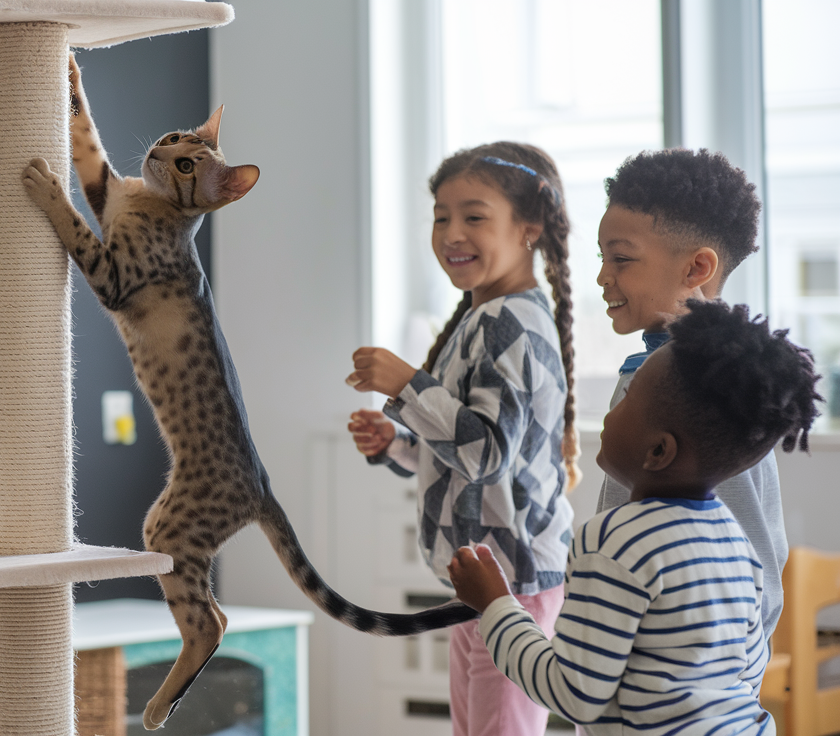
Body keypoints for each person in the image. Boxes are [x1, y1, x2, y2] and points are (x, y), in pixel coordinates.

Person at [448, 299, 821, 736]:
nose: (611, 412)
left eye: (627, 400)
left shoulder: (612, 543)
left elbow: (573, 693)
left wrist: (495, 606)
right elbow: (744, 669)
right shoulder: (736, 544)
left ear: (659, 450)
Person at [346, 142, 577, 736]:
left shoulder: (510, 323)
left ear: (528, 229)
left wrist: (407, 383)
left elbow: (488, 453)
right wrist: (394, 442)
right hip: (480, 576)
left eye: (474, 216)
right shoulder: (482, 318)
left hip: (512, 579)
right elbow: (456, 445)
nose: (452, 232)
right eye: (441, 216)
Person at [595, 148, 789, 639]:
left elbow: (754, 557)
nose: (602, 275)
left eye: (621, 258)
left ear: (697, 268)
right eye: (602, 258)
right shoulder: (659, 364)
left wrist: (718, 681)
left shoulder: (706, 386)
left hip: (685, 691)